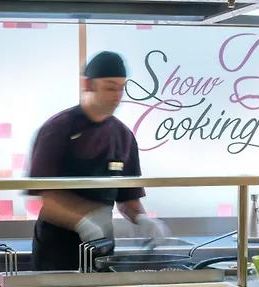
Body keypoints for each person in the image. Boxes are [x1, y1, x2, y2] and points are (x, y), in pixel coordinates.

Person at [27, 51, 168, 271]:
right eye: (110, 88)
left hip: (102, 249)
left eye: (121, 88)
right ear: (87, 85)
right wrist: (83, 222)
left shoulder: (123, 136)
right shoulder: (57, 129)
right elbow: (46, 199)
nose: (117, 96)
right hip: (56, 250)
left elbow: (128, 199)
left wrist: (142, 219)